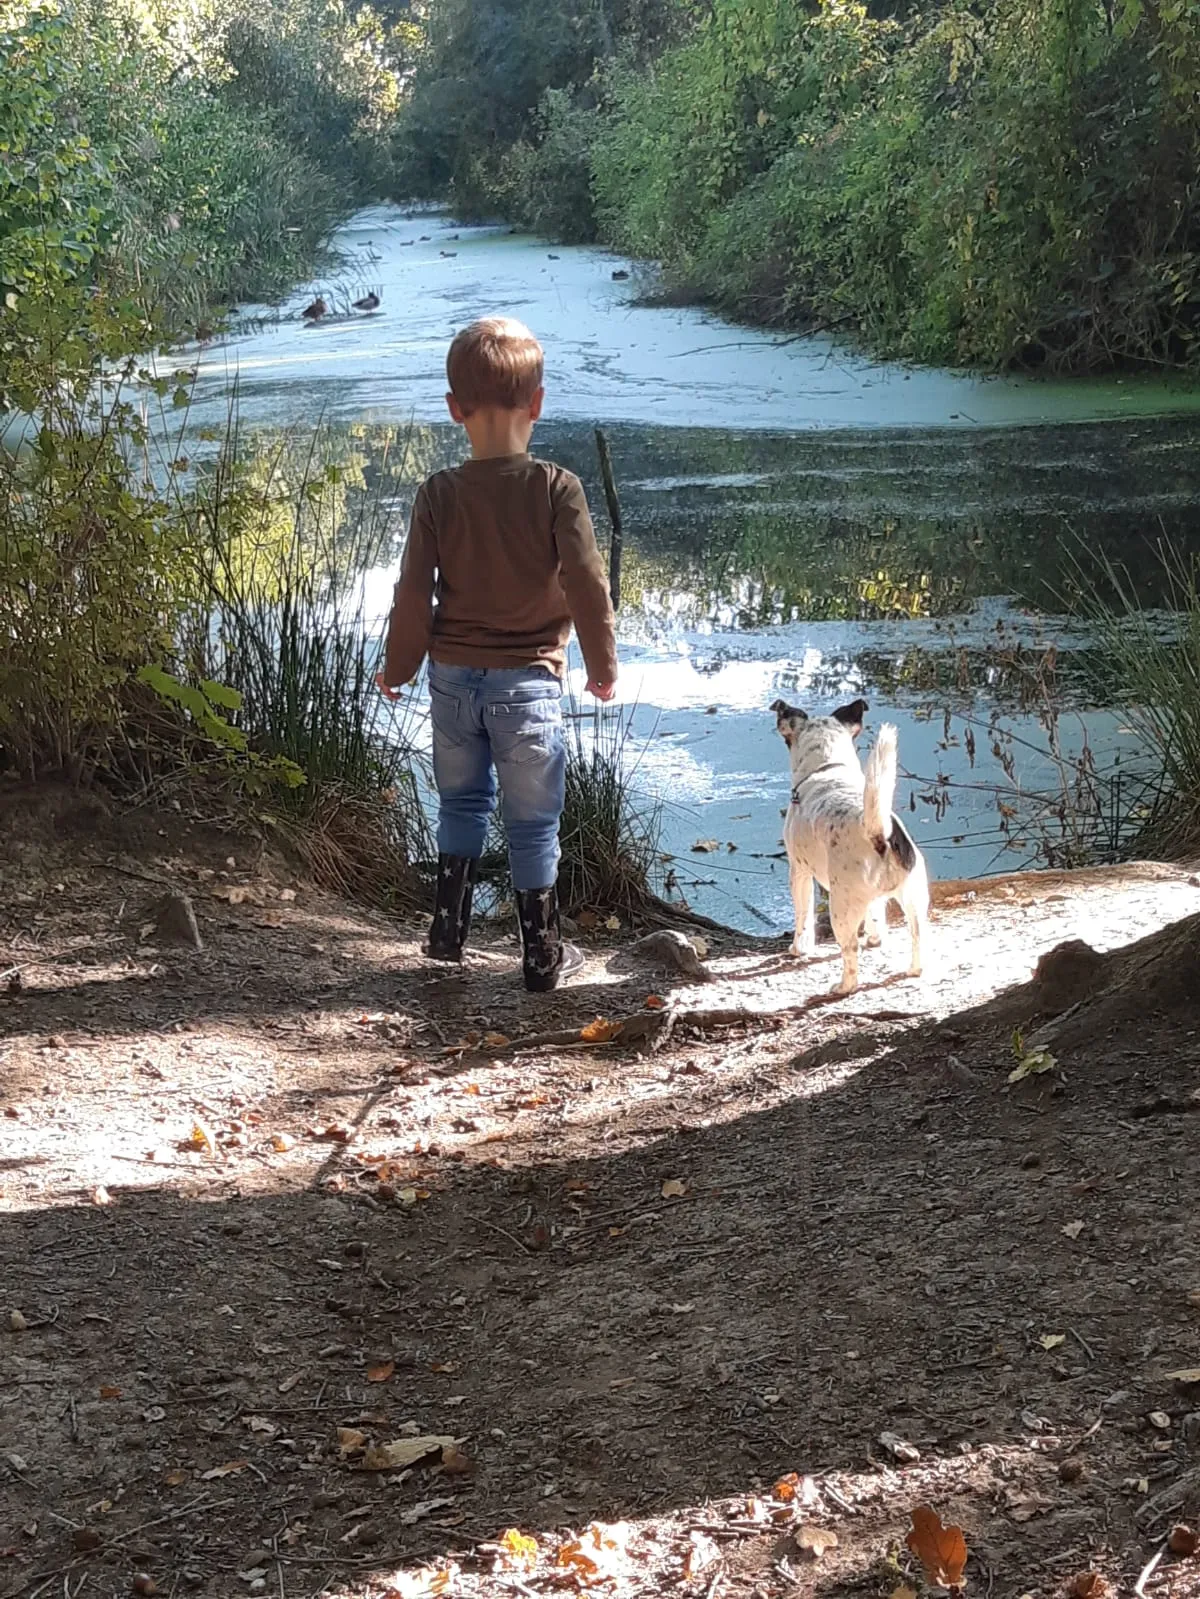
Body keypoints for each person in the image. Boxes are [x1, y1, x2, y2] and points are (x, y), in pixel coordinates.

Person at [376, 316, 618, 992]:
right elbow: (586, 583)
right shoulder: (556, 488)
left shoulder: (437, 494)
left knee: (460, 803)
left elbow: (412, 593)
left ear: (455, 409)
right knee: (532, 822)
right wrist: (601, 665)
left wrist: (397, 669)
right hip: (529, 686)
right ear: (537, 403)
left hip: (452, 683)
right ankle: (540, 954)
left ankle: (447, 933)